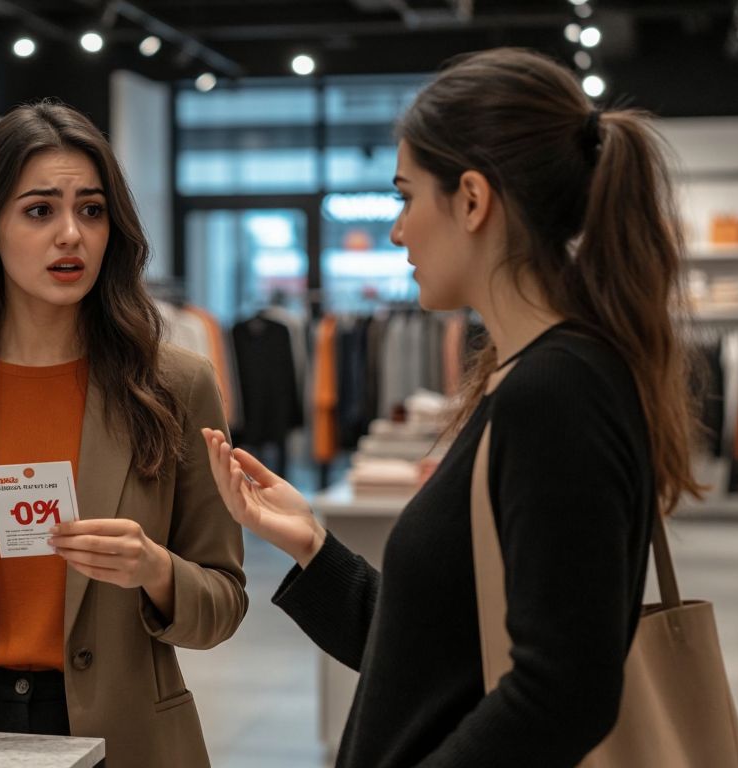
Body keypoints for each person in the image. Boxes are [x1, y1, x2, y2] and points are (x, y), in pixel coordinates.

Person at [203, 48, 703, 767]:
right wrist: (311, 545)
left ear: (471, 199)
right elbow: (436, 654)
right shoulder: (532, 375)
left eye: (406, 196)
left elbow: (563, 688)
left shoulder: (557, 392)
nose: (398, 230)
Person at [0, 100, 247, 768]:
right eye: (40, 210)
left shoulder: (177, 384)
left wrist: (155, 569)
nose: (72, 235)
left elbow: (224, 603)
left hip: (124, 732)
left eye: (91, 210)